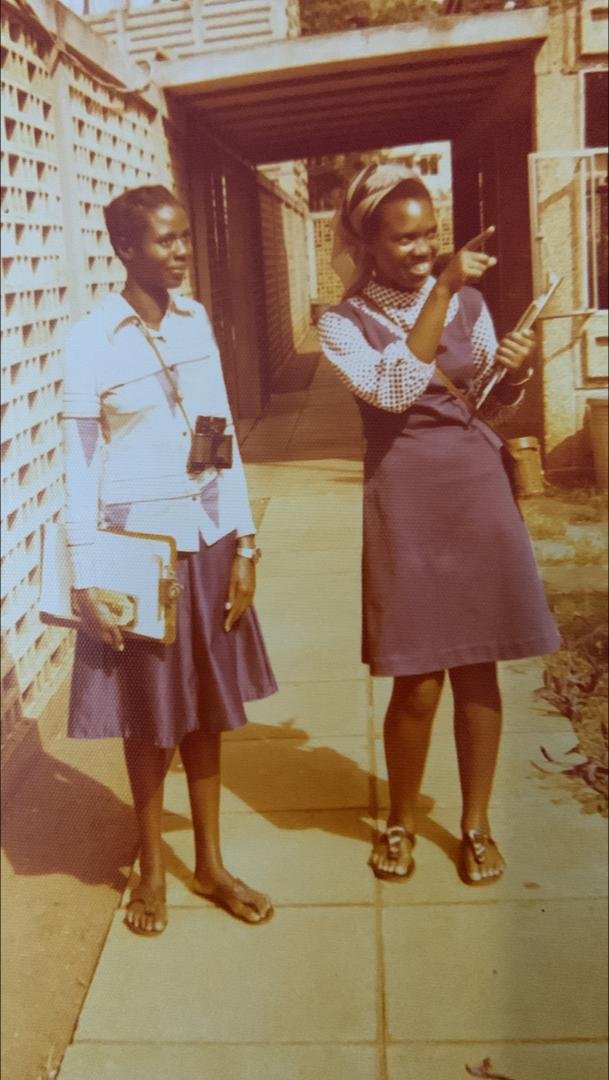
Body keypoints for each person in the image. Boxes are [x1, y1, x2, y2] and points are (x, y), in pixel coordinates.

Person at [319, 163, 560, 887]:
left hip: (473, 486)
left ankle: (475, 823)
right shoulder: (341, 322)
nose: (421, 250)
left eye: (429, 235)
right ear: (365, 239)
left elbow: (484, 400)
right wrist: (445, 289)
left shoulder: (470, 300)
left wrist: (512, 372)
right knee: (417, 680)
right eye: (403, 239)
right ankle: (398, 820)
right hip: (406, 493)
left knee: (479, 667)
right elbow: (393, 391)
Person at [62, 185, 277, 935]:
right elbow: (79, 462)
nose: (181, 250)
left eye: (185, 236)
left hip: (208, 539)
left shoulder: (195, 322)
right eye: (164, 240)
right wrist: (84, 575)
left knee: (206, 712)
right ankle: (152, 868)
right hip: (135, 555)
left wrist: (244, 542)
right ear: (125, 250)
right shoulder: (92, 338)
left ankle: (211, 864)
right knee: (148, 717)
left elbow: (221, 437)